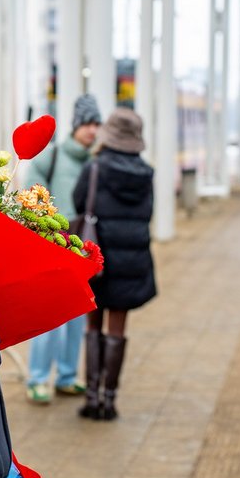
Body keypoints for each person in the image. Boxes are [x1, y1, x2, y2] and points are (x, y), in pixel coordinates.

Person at [73, 107, 156, 421]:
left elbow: (80, 202)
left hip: (98, 256)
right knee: (118, 327)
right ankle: (110, 400)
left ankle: (92, 398)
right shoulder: (146, 174)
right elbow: (148, 213)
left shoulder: (94, 169)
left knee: (94, 324)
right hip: (132, 258)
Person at [24, 95, 102, 404]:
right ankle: (38, 378)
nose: (93, 130)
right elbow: (31, 193)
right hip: (53, 242)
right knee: (49, 314)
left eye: (97, 124)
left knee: (77, 313)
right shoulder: (52, 156)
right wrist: (47, 228)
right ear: (76, 125)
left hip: (82, 244)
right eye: (88, 123)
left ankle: (67, 376)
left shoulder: (95, 162)